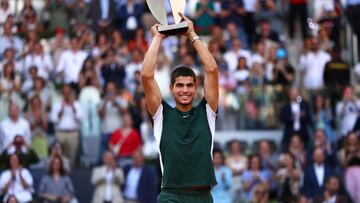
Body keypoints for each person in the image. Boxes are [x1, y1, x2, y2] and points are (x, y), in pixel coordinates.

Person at [141, 13, 219, 203]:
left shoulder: (207, 111)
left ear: (195, 87)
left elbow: (212, 70)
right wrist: (158, 37)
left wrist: (192, 34)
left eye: (189, 85)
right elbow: (146, 74)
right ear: (171, 89)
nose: (185, 90)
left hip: (202, 196)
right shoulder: (161, 114)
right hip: (171, 196)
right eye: (180, 85)